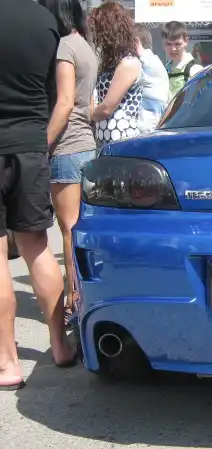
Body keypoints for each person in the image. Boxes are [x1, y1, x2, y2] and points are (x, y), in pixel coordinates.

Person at [0, 0, 78, 391]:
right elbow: (56, 91)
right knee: (37, 246)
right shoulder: (45, 21)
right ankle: (60, 346)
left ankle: (7, 362)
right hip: (32, 146)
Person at [40, 0, 98, 327]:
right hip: (86, 144)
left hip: (66, 147)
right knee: (80, 227)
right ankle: (83, 297)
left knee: (69, 230)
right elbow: (88, 104)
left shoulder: (64, 47)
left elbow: (64, 103)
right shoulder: (86, 47)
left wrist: (42, 145)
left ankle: (73, 302)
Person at [88, 1, 144, 149]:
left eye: (99, 30)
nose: (96, 37)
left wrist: (88, 113)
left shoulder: (128, 63)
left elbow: (107, 108)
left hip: (123, 142)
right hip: (106, 140)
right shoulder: (112, 63)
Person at [133, 24, 169, 134]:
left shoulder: (145, 61)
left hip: (148, 127)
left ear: (136, 43)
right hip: (150, 124)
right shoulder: (152, 61)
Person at [162, 21, 203, 100]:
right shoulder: (165, 68)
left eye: (177, 44)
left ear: (186, 41)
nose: (173, 49)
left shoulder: (195, 70)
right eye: (168, 44)